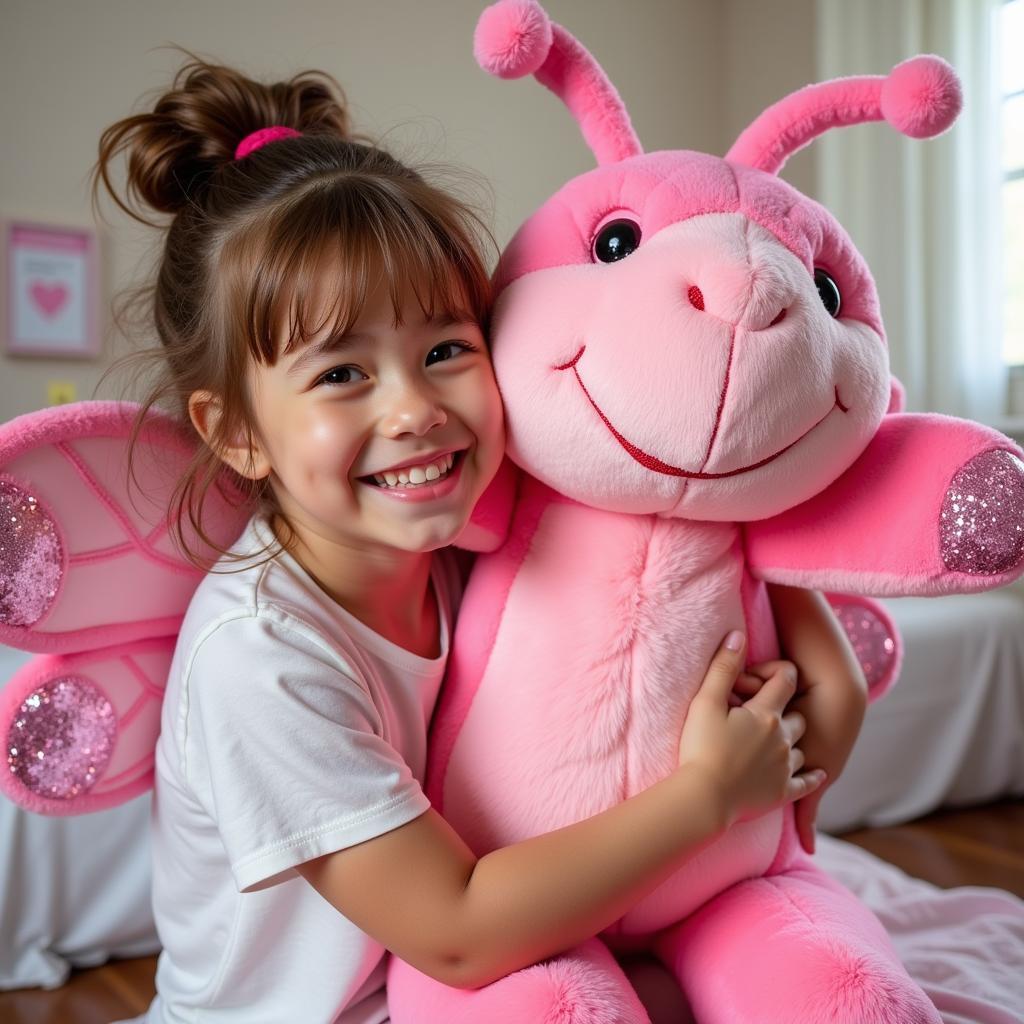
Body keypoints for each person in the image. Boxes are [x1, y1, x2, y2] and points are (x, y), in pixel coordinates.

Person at [95, 56, 863, 1024]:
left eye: (444, 350)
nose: (414, 408)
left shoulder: (471, 540)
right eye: (341, 373)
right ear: (236, 431)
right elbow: (455, 930)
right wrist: (708, 793)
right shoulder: (262, 653)